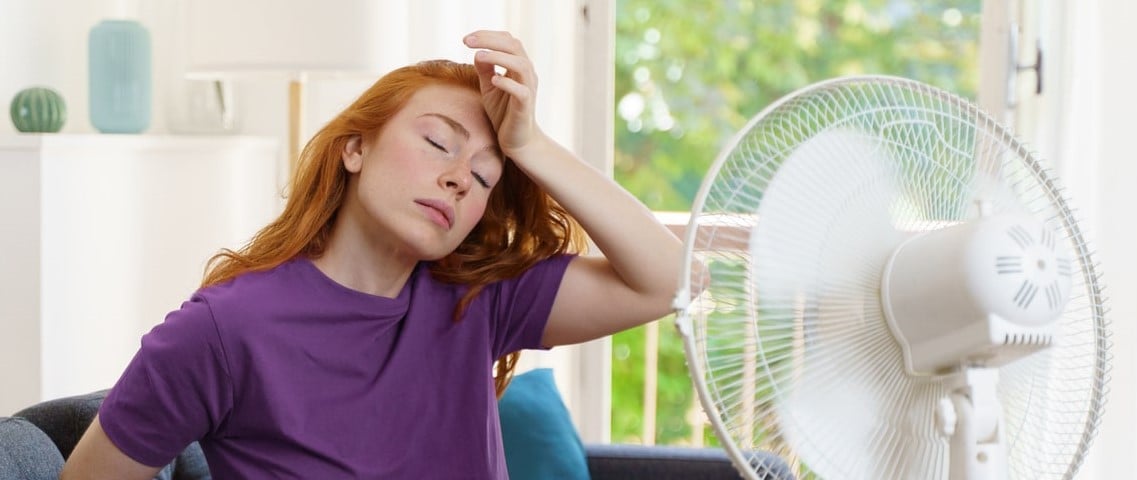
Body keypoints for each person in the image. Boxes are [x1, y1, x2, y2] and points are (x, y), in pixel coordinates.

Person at [60, 30, 682, 479]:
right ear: (354, 149)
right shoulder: (220, 333)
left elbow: (666, 279)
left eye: (487, 177)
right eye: (439, 141)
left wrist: (533, 144)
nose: (461, 178)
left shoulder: (480, 301)